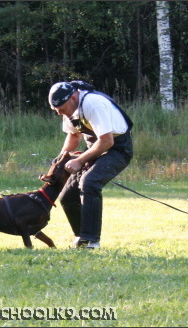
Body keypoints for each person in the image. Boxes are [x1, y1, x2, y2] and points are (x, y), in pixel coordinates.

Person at [48, 81, 133, 249]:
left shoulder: (93, 104)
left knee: (90, 182)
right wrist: (61, 159)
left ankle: (92, 241)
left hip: (117, 149)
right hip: (95, 148)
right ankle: (81, 238)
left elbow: (107, 141)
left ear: (73, 98)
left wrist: (80, 160)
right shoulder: (70, 108)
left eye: (61, 109)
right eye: (56, 110)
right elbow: (74, 136)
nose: (59, 114)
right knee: (67, 196)